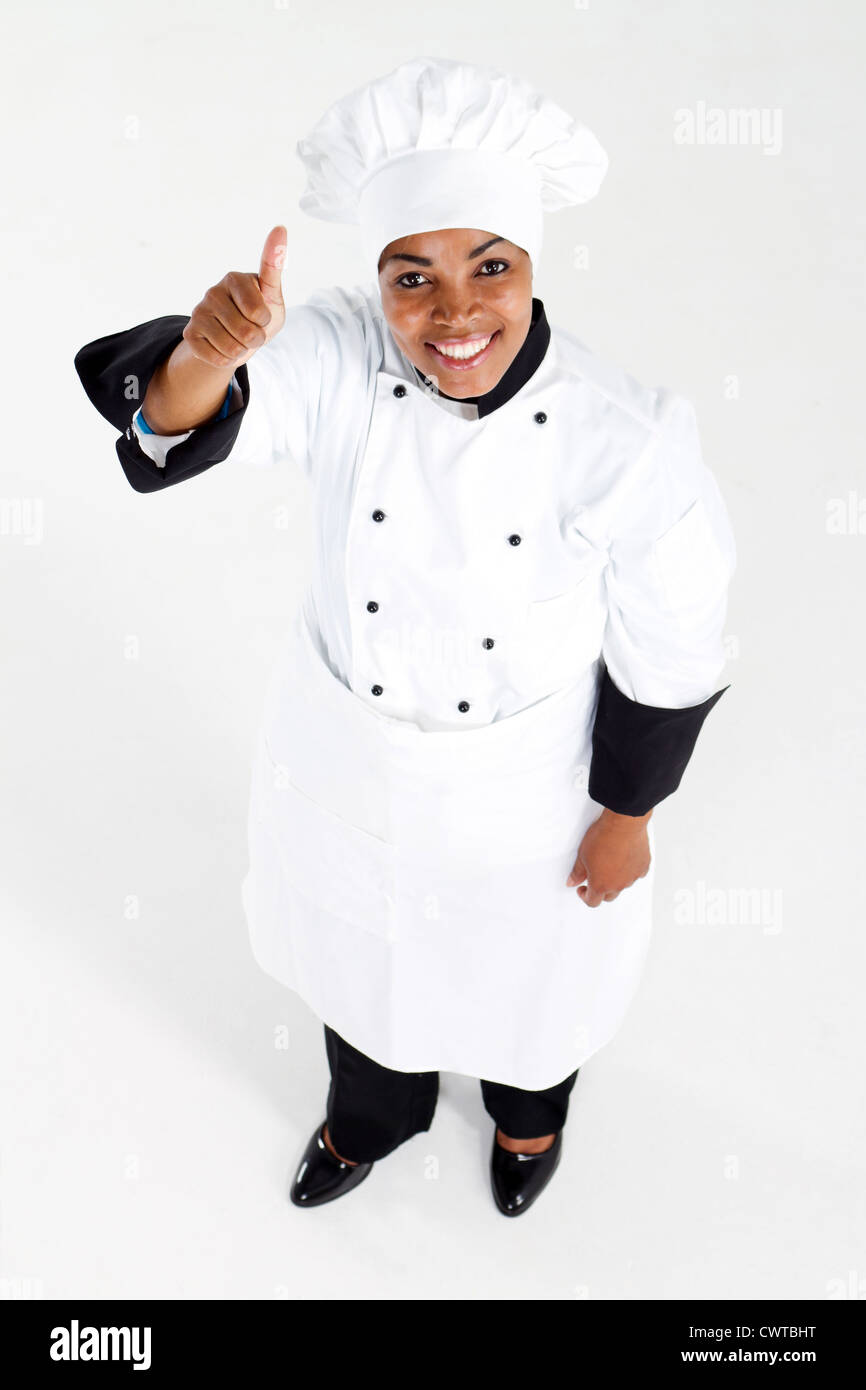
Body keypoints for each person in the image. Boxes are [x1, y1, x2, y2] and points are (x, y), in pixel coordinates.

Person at [73, 56, 736, 1217]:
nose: (454, 313)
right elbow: (184, 417)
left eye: (490, 268)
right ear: (375, 284)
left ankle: (527, 1128)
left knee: (534, 991)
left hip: (527, 792)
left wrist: (628, 815)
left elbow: (674, 641)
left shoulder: (620, 437)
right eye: (410, 277)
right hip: (350, 767)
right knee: (360, 968)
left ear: (532, 265)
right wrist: (208, 353)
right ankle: (367, 1120)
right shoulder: (339, 356)